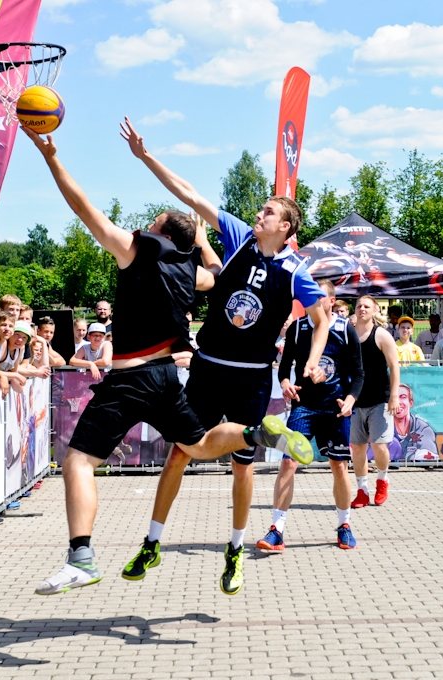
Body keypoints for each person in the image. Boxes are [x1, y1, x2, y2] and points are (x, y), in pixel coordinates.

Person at [23, 125, 315, 597]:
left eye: (152, 220)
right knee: (197, 446)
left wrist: (52, 157)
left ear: (155, 232)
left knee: (78, 461)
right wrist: (198, 237)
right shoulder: (192, 271)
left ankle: (81, 556)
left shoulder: (135, 252)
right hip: (168, 376)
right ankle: (256, 433)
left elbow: (83, 208)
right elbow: (214, 272)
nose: (148, 223)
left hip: (133, 379)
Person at [118, 117, 326, 596]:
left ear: (286, 225)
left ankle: (234, 551)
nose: (260, 214)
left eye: (269, 211)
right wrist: (146, 157)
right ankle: (152, 542)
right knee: (179, 452)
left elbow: (320, 319)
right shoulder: (237, 239)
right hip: (209, 369)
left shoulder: (297, 271)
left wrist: (313, 359)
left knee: (242, 465)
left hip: (252, 377)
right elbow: (190, 195)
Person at [255, 280, 364, 552]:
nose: (313, 303)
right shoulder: (298, 327)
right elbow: (285, 365)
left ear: (331, 300)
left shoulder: (344, 328)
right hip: (304, 405)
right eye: (309, 299)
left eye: (319, 298)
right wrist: (284, 384)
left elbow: (359, 373)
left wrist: (350, 400)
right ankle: (276, 530)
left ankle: (344, 524)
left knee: (339, 466)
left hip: (335, 407)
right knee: (288, 464)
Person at [350, 295, 401, 508]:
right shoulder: (348, 334)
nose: (362, 309)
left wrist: (394, 395)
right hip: (354, 400)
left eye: (367, 306)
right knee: (358, 449)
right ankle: (362, 490)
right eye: (359, 305)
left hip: (379, 399)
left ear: (374, 311)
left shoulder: (381, 335)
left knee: (379, 446)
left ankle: (382, 480)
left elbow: (394, 365)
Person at [393, 384, 438, 462]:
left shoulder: (424, 429)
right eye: (394, 398)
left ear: (411, 403)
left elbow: (429, 455)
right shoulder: (382, 427)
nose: (398, 402)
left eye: (403, 397)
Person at [0, 312, 27, 397]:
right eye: (3, 325)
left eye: (10, 326)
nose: (7, 329)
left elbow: (12, 371)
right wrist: (13, 375)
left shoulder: (4, 343)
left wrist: (4, 376)